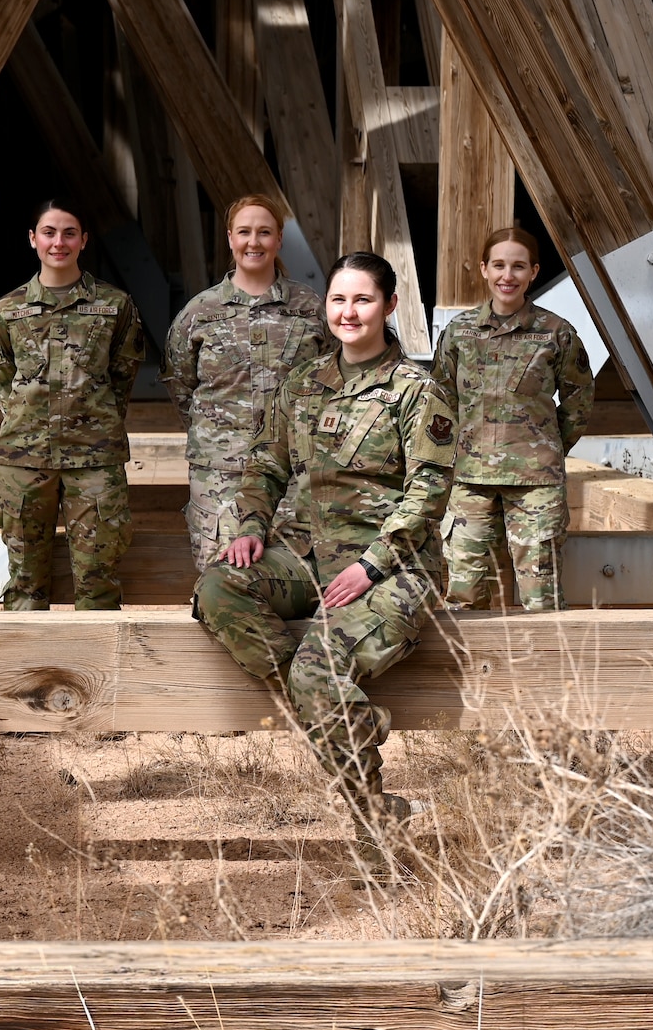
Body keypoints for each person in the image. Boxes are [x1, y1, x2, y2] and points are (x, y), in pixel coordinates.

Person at [194, 254, 458, 865]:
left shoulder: (416, 393)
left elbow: (429, 493)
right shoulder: (306, 385)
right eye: (338, 300)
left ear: (390, 307)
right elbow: (265, 464)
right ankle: (334, 715)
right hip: (310, 556)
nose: (348, 312)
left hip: (394, 567)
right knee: (220, 590)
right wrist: (251, 527)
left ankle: (373, 822)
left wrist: (371, 565)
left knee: (319, 670)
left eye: (362, 300)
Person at [0, 199, 146, 610]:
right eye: (49, 233)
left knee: (98, 584)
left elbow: (121, 379)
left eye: (69, 232)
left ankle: (100, 674)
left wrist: (91, 424)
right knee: (24, 586)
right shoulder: (6, 310)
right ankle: (25, 670)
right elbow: (4, 384)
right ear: (32, 239)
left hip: (95, 460)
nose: (59, 242)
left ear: (84, 240)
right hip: (24, 460)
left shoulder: (115, 306)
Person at [163, 194, 330, 571]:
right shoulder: (199, 313)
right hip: (220, 474)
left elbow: (333, 378)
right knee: (220, 580)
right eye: (244, 232)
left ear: (278, 240)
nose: (253, 242)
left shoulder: (311, 308)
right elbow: (180, 384)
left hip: (294, 472)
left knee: (294, 576)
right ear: (229, 238)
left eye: (264, 232)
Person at [437, 225, 593, 610]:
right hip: (470, 480)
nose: (508, 276)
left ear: (534, 272)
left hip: (535, 482)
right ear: (484, 269)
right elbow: (442, 399)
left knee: (541, 599)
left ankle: (545, 670)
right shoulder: (459, 331)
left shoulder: (556, 333)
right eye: (500, 265)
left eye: (519, 267)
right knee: (463, 596)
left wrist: (546, 444)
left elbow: (579, 400)